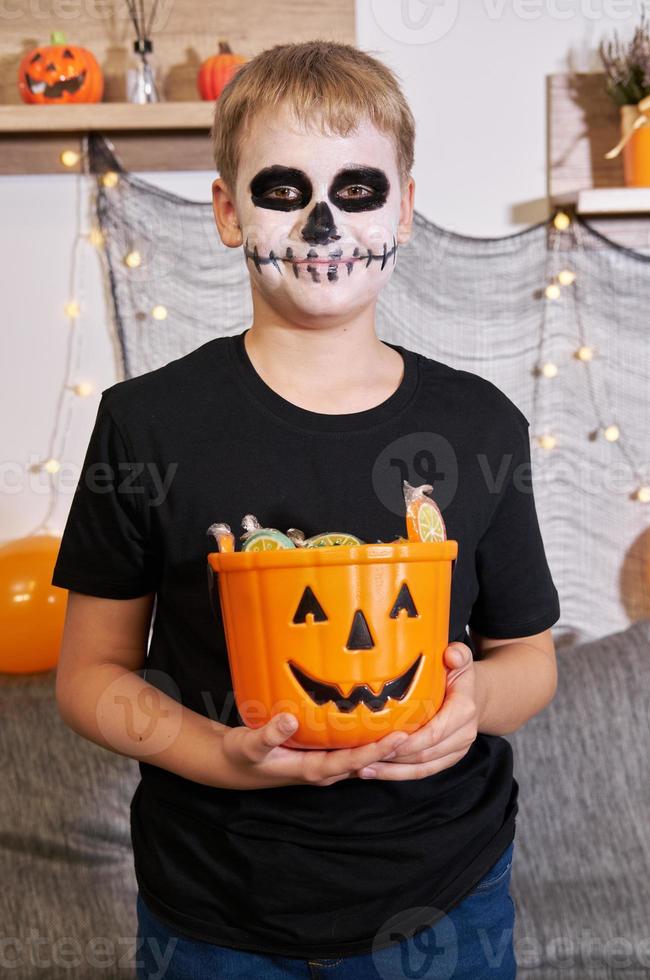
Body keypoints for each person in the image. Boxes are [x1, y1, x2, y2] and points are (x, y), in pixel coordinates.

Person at [52, 40, 560, 980]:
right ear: (226, 211)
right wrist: (218, 753)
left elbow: (529, 657)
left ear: (406, 205)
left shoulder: (481, 425)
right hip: (214, 905)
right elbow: (88, 676)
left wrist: (474, 703)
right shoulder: (148, 424)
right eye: (284, 190)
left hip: (443, 894)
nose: (324, 224)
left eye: (358, 189)